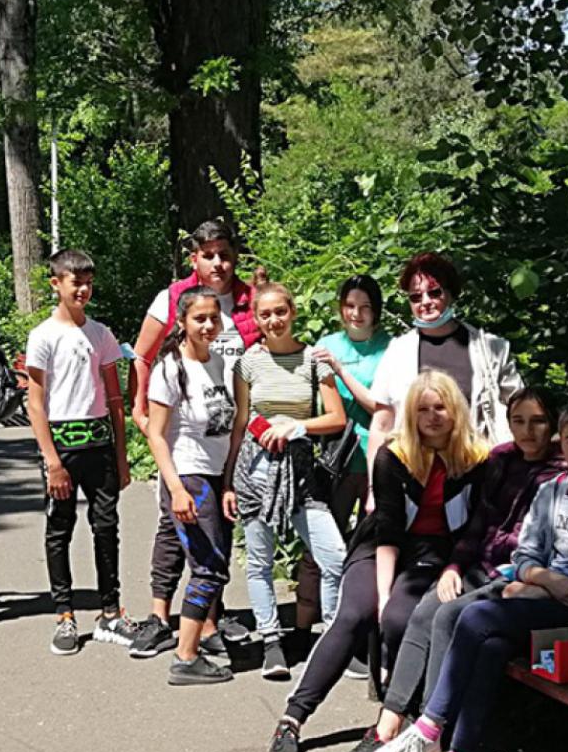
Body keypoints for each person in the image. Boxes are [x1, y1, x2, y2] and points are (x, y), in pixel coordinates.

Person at [369, 397, 568, 752]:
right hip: (546, 601)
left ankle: (429, 729)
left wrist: (547, 586)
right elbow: (526, 553)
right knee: (492, 646)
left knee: (477, 616)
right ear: (562, 442)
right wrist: (542, 578)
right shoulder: (552, 491)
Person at [331, 386, 565, 752]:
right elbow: (479, 524)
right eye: (519, 421)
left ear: (553, 424)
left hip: (516, 576)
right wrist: (454, 567)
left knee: (449, 617)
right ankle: (390, 726)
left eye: (538, 421)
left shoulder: (561, 471)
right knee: (425, 611)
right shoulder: (501, 460)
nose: (528, 431)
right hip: (480, 566)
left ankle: (426, 732)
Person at [268, 370, 487, 752]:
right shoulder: (393, 455)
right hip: (381, 544)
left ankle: (391, 725)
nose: (432, 417)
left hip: (436, 553)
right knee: (354, 614)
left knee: (403, 619)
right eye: (423, 409)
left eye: (440, 408)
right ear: (411, 414)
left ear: (455, 410)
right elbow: (388, 528)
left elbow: (474, 526)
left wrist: (439, 575)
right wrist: (382, 597)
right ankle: (292, 718)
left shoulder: (477, 459)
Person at [129, 218, 261, 658]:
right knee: (184, 533)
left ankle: (208, 621)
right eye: (208, 255)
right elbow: (142, 355)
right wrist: (140, 408)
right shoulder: (172, 299)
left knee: (208, 536)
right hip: (183, 447)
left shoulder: (248, 301)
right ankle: (166, 622)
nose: (218, 263)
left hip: (224, 441)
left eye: (224, 254)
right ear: (194, 258)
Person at [223, 282, 349, 680]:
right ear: (257, 319)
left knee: (334, 557)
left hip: (301, 472)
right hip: (255, 470)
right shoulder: (248, 363)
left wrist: (298, 427)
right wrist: (228, 482)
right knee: (259, 562)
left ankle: (332, 641)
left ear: (292, 312)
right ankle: (271, 643)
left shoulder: (313, 359)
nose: (274, 320)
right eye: (265, 314)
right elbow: (241, 422)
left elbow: (337, 418)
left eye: (280, 311)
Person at [26, 249, 136, 655]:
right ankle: (64, 614)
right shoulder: (43, 336)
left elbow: (115, 399)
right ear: (56, 284)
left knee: (106, 527)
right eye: (76, 282)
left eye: (88, 282)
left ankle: (110, 611)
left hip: (99, 445)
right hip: (62, 447)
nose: (83, 290)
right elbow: (35, 404)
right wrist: (52, 462)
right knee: (60, 529)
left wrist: (121, 456)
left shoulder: (101, 334)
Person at [145, 287, 237, 685]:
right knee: (208, 567)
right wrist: (177, 489)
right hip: (188, 475)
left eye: (214, 318)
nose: (208, 325)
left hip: (216, 476)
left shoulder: (219, 362)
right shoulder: (169, 368)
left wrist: (229, 481)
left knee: (214, 564)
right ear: (182, 322)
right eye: (199, 318)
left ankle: (196, 642)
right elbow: (156, 434)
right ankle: (186, 656)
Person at [367, 253, 522, 481]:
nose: (425, 302)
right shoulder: (397, 351)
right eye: (415, 297)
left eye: (434, 292)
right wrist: (373, 487)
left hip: (477, 473)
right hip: (414, 476)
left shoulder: (489, 349)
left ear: (450, 293)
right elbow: (381, 423)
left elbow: (519, 408)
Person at [296, 275, 391, 638]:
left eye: (365, 307)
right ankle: (303, 628)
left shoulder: (390, 349)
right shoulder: (326, 344)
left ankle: (361, 626)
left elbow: (378, 405)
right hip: (334, 460)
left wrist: (340, 370)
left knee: (372, 545)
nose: (356, 314)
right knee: (320, 543)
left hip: (378, 460)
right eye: (350, 306)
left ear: (376, 311)